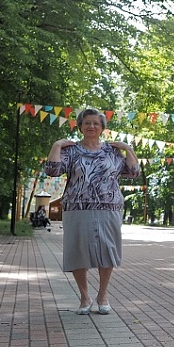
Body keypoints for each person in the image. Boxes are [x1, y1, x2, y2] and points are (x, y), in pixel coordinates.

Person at [44, 108, 139, 315]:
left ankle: (102, 295)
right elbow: (52, 170)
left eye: (96, 123)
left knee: (108, 250)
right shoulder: (71, 151)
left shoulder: (112, 152)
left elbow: (133, 173)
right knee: (78, 251)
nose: (92, 126)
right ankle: (84, 296)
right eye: (87, 123)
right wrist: (57, 145)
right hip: (77, 207)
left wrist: (128, 149)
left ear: (103, 128)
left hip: (109, 207)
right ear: (80, 127)